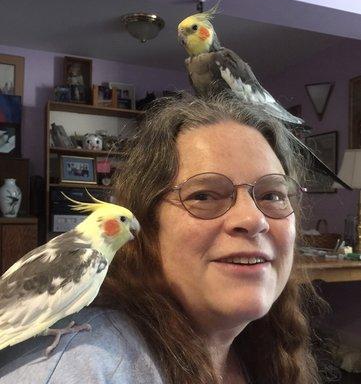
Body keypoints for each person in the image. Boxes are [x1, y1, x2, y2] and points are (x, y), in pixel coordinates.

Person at [0, 93, 323, 383]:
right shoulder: (80, 366)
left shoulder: (263, 350)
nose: (253, 219)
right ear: (148, 230)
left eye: (273, 195)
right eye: (204, 195)